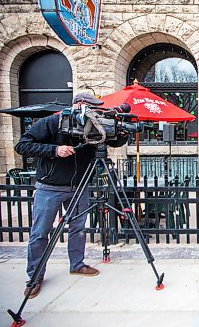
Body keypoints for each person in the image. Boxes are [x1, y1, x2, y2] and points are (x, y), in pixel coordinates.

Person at [15, 92, 128, 299]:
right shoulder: (52, 122)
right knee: (40, 232)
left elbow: (115, 143)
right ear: (80, 105)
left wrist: (122, 130)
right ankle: (35, 276)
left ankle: (77, 264)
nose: (95, 111)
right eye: (92, 107)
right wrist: (54, 150)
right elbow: (22, 145)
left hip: (79, 186)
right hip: (49, 187)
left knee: (78, 229)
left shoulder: (94, 126)